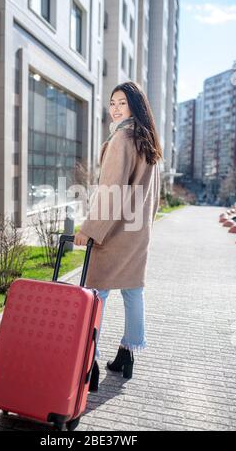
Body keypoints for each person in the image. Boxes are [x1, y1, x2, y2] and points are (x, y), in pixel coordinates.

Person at [74, 81, 162, 389]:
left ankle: (89, 364)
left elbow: (110, 194)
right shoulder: (147, 140)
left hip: (114, 233)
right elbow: (154, 196)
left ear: (135, 106)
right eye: (112, 102)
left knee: (95, 294)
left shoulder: (122, 138)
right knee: (132, 291)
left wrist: (90, 230)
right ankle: (127, 354)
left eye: (121, 103)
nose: (114, 108)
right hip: (138, 233)